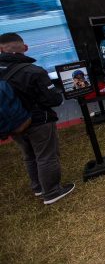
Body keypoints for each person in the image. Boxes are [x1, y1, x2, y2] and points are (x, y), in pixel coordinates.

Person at [0, 32, 75, 204]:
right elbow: (53, 99)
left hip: (14, 123)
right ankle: (52, 192)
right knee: (46, 155)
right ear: (25, 48)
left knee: (29, 154)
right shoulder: (32, 71)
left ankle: (38, 187)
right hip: (39, 121)